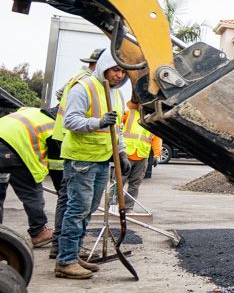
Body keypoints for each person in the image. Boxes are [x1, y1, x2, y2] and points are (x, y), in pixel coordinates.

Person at [55, 49, 130, 280]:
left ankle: (74, 254)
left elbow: (116, 128)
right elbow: (70, 120)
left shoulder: (115, 94)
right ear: (104, 66)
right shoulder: (84, 87)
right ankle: (65, 261)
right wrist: (98, 122)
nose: (119, 75)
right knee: (77, 210)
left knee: (87, 211)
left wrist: (122, 151)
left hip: (101, 159)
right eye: (116, 69)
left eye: (123, 72)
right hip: (81, 160)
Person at [49, 47, 104, 255]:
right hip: (73, 141)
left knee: (67, 197)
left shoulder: (76, 78)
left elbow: (59, 94)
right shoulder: (86, 82)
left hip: (63, 138)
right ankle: (63, 248)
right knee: (72, 201)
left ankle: (61, 245)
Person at [0, 106, 59, 247]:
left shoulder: (31, 111)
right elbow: (56, 165)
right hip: (10, 149)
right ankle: (39, 232)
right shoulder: (55, 127)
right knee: (31, 192)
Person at [121, 98, 161, 202]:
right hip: (126, 154)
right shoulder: (129, 114)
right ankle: (113, 205)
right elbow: (116, 124)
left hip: (142, 156)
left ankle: (128, 208)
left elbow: (157, 138)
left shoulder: (154, 119)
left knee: (135, 184)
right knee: (119, 182)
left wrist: (157, 154)